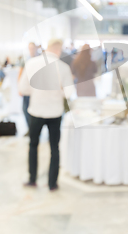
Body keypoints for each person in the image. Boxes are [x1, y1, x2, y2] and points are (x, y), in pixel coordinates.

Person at [19, 39, 74, 191]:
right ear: (58, 49)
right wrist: (59, 91)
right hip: (55, 112)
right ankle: (52, 183)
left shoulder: (31, 63)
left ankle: (32, 179)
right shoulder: (63, 67)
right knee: (54, 148)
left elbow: (23, 89)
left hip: (36, 111)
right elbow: (69, 93)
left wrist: (37, 92)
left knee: (33, 145)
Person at [18, 42, 38, 129]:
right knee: (25, 109)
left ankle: (35, 129)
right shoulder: (25, 59)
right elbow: (20, 73)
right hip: (27, 87)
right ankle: (30, 128)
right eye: (30, 48)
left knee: (35, 109)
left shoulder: (39, 58)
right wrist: (19, 87)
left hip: (37, 88)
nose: (31, 50)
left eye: (33, 48)